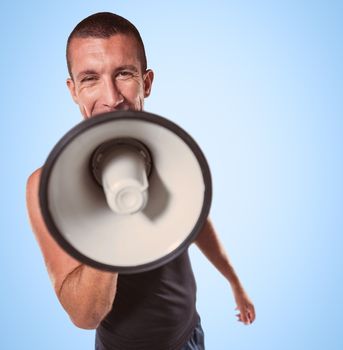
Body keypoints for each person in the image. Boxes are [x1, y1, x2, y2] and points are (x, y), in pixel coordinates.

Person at [26, 12, 255, 350]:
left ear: (146, 82)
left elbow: (196, 219)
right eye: (90, 78)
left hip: (190, 335)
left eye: (124, 74)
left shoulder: (172, 152)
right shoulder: (47, 187)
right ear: (73, 90)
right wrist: (113, 215)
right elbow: (84, 316)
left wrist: (235, 283)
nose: (112, 96)